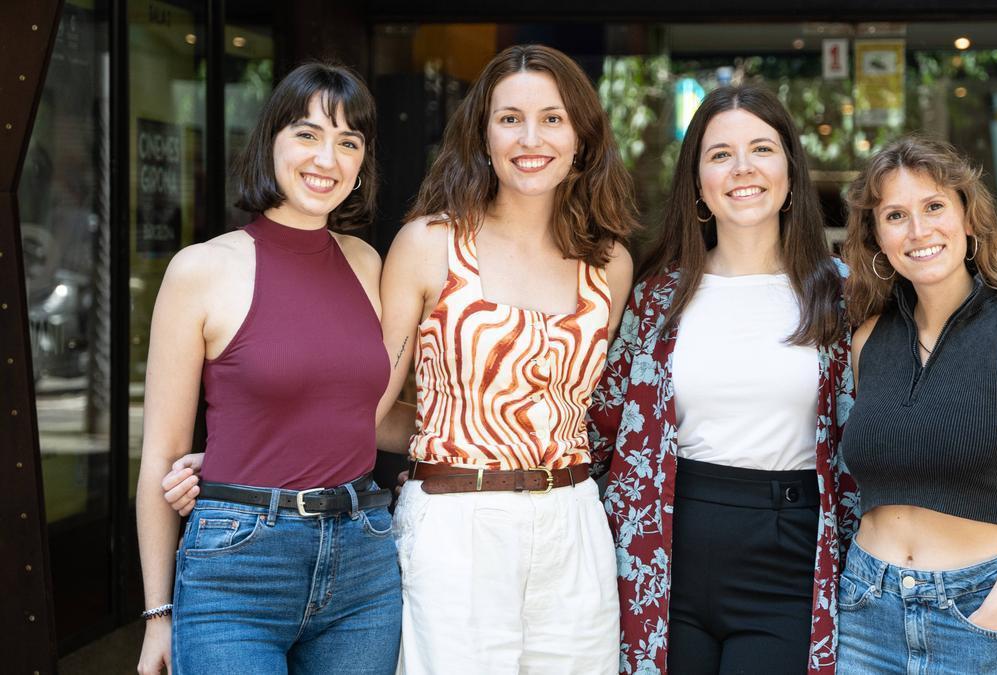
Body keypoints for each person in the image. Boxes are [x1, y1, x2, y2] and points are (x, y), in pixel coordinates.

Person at [135, 62, 405, 675]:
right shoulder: (199, 270)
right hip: (237, 568)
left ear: (362, 162)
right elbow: (161, 455)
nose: (327, 158)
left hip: (363, 560)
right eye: (307, 134)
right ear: (271, 143)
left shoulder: (367, 262)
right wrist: (158, 614)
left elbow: (360, 415)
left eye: (348, 141)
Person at [378, 44, 637, 674]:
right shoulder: (428, 243)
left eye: (552, 118)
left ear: (581, 135)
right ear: (483, 133)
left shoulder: (610, 265)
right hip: (457, 521)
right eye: (510, 118)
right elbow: (364, 410)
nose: (531, 138)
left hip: (574, 518)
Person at [587, 85, 859, 675]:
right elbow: (596, 424)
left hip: (789, 553)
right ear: (698, 184)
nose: (743, 168)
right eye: (720, 154)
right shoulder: (657, 298)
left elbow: (885, 422)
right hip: (665, 547)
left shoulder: (843, 296)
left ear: (790, 169)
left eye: (762, 148)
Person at [836, 136, 997, 673]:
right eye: (896, 215)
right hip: (862, 615)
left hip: (977, 611)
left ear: (968, 220)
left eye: (934, 207)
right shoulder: (866, 341)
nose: (918, 231)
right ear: (877, 237)